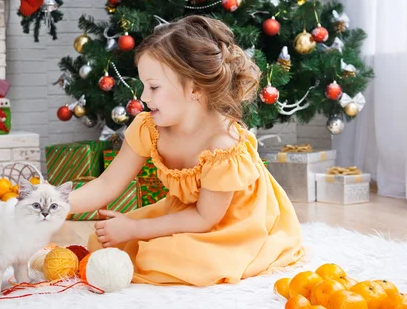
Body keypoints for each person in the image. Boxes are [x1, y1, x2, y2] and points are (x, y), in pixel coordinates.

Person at [68, 15, 304, 286]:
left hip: (232, 224)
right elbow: (108, 183)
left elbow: (206, 218)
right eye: (144, 86)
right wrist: (56, 204)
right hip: (187, 214)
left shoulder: (222, 144)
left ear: (194, 88)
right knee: (101, 242)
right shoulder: (150, 128)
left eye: (154, 87)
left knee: (166, 259)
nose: (144, 97)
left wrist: (134, 228)